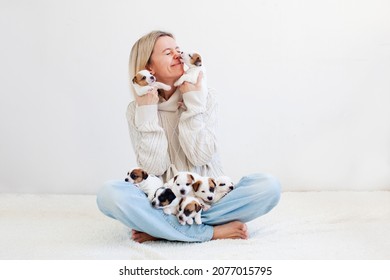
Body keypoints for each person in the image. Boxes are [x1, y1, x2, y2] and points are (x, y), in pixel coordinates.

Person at [97, 30, 281, 243]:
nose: (178, 55)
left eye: (178, 50)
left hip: (211, 200)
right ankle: (210, 231)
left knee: (268, 187)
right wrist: (147, 114)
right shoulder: (136, 110)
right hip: (164, 204)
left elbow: (201, 156)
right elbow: (154, 168)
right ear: (149, 67)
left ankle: (163, 230)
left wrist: (193, 105)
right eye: (168, 52)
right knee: (109, 195)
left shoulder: (206, 97)